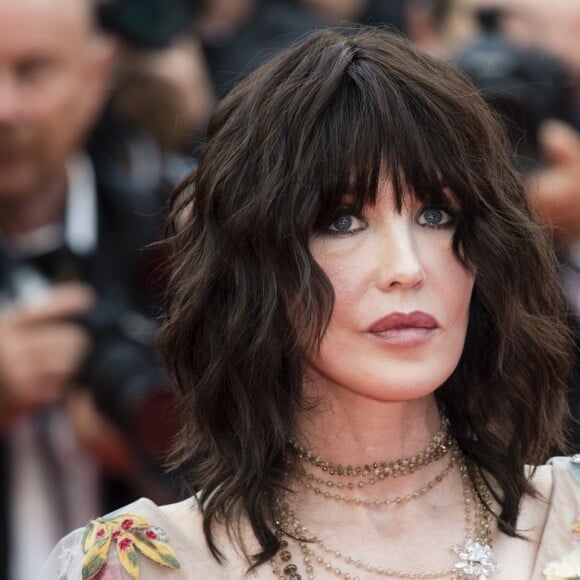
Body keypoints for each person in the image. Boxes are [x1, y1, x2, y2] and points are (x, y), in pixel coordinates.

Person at [42, 26, 578, 579]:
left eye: (436, 215)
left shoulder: (570, 516)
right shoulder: (146, 564)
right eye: (343, 221)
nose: (406, 269)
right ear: (256, 264)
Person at [0, 0, 182, 577]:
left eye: (33, 71)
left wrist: (159, 443)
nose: (3, 108)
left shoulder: (179, 242)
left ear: (96, 76)